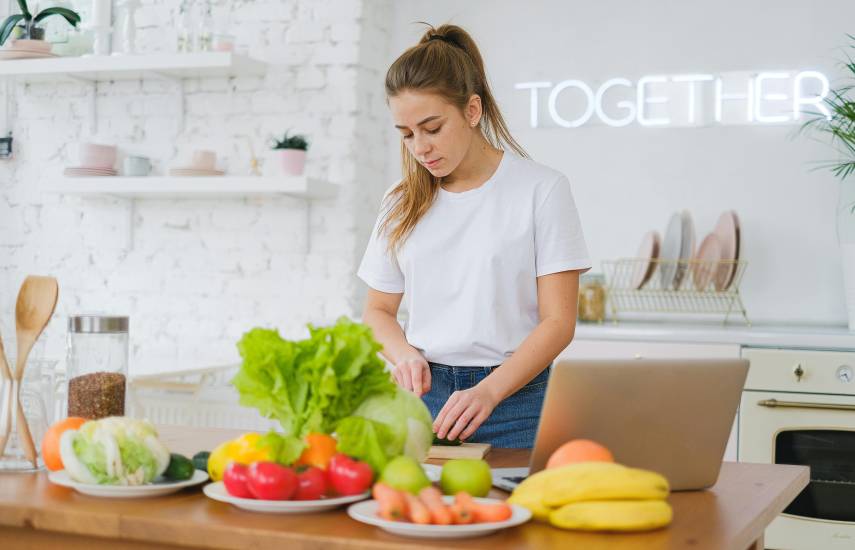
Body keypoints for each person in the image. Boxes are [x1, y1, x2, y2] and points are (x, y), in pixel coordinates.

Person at [358, 23, 591, 448]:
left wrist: (490, 391)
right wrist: (404, 354)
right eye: (407, 135)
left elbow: (559, 322)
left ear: (472, 110)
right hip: (423, 402)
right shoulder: (400, 201)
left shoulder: (541, 189)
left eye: (432, 128)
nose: (420, 148)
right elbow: (377, 310)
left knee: (514, 514)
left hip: (516, 405)